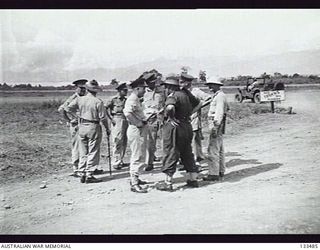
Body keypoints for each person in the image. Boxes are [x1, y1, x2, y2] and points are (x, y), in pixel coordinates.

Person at [157, 74, 200, 191]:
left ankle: (168, 182)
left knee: (171, 151)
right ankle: (193, 179)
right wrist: (189, 114)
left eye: (166, 86)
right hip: (187, 126)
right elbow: (198, 104)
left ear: (170, 87)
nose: (165, 89)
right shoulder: (186, 94)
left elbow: (170, 107)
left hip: (175, 127)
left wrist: (171, 118)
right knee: (187, 152)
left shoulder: (173, 95)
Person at [65, 80, 110, 184]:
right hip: (93, 126)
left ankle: (82, 172)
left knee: (83, 150)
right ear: (96, 91)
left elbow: (67, 108)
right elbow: (103, 118)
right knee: (93, 150)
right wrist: (107, 129)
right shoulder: (98, 101)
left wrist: (77, 116)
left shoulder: (80, 99)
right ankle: (89, 174)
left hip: (82, 126)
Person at [123, 78, 149, 193]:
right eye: (143, 88)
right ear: (137, 88)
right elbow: (127, 113)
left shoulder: (136, 99)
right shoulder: (132, 99)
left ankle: (136, 178)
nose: (145, 91)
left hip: (139, 128)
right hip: (136, 129)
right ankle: (134, 183)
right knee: (137, 155)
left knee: (140, 154)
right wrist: (138, 123)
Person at [179, 73, 211, 165]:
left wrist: (198, 107)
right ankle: (185, 160)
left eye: (182, 82)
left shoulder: (196, 91)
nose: (180, 84)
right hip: (183, 119)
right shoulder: (181, 91)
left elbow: (208, 98)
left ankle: (196, 161)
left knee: (193, 140)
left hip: (193, 118)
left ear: (188, 83)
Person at [58, 79, 87, 177]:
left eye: (84, 88)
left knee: (84, 146)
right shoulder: (74, 97)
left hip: (84, 124)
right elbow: (62, 109)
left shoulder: (84, 97)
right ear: (76, 88)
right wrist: (70, 119)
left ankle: (84, 167)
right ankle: (76, 168)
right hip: (76, 125)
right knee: (77, 146)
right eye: (81, 88)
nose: (83, 90)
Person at [203, 77, 229, 181]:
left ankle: (213, 173)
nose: (209, 87)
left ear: (217, 85)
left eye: (212, 84)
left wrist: (215, 126)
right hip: (216, 122)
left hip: (215, 122)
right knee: (219, 148)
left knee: (213, 148)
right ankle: (220, 171)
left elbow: (219, 112)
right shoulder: (217, 95)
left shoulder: (220, 96)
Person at [142, 73, 165, 171]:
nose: (152, 84)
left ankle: (165, 162)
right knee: (151, 142)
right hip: (150, 120)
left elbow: (166, 103)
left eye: (153, 82)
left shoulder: (162, 92)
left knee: (164, 141)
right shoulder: (143, 93)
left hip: (162, 118)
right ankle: (149, 163)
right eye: (150, 83)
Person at [105, 82, 128, 170]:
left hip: (125, 120)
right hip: (117, 119)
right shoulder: (113, 99)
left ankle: (120, 160)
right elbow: (105, 108)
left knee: (124, 142)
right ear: (119, 91)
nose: (126, 92)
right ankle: (116, 161)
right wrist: (111, 118)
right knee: (117, 141)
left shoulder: (125, 100)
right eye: (124, 90)